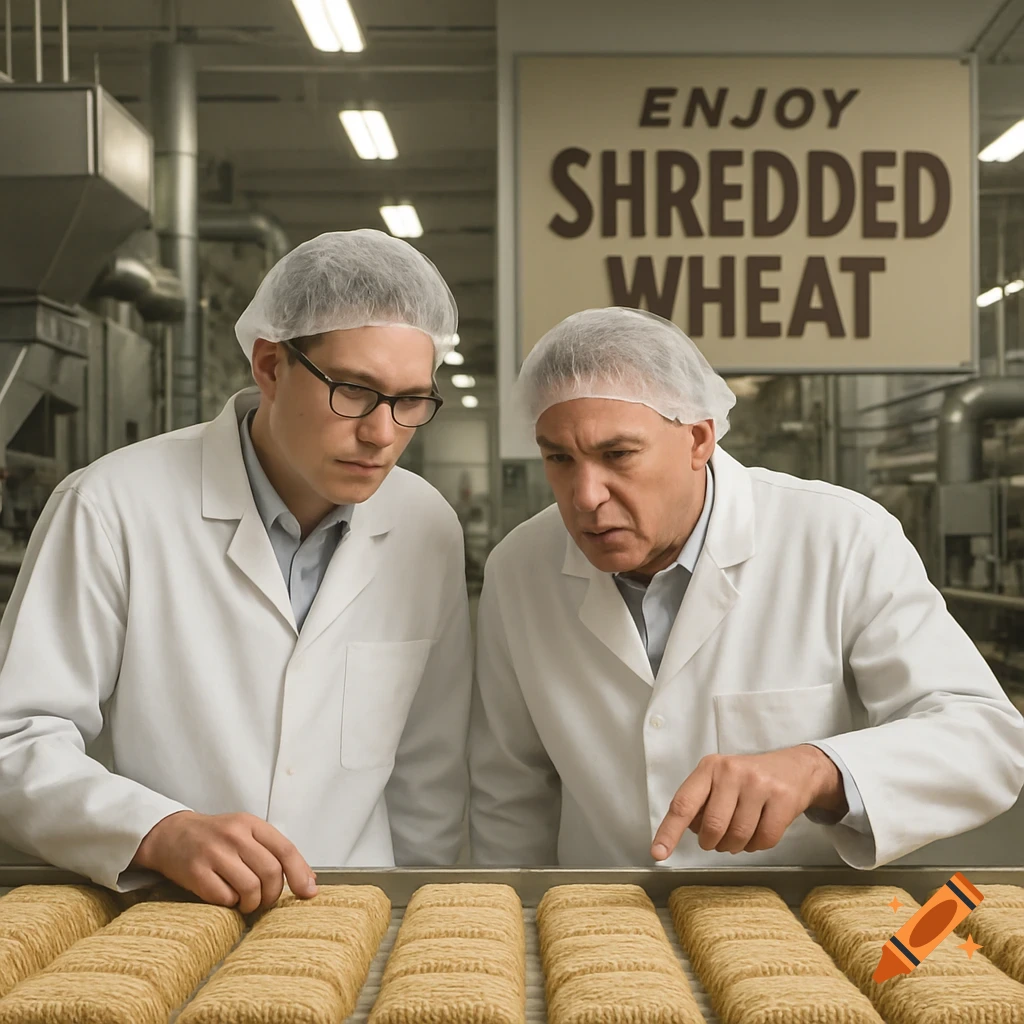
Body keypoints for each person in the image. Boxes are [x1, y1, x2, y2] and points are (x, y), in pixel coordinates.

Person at [0, 229, 473, 911]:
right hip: (164, 911)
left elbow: (429, 768)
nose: (381, 433)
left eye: (409, 402)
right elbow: (16, 735)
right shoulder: (113, 505)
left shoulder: (426, 525)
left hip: (352, 915)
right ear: (270, 366)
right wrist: (158, 831)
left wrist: (401, 916)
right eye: (354, 391)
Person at [468, 306, 1024, 870]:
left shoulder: (840, 538)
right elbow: (508, 787)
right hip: (598, 924)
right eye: (559, 458)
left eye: (618, 455)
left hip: (795, 927)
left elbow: (985, 740)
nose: (585, 495)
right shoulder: (520, 569)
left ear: (699, 439)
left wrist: (820, 769)